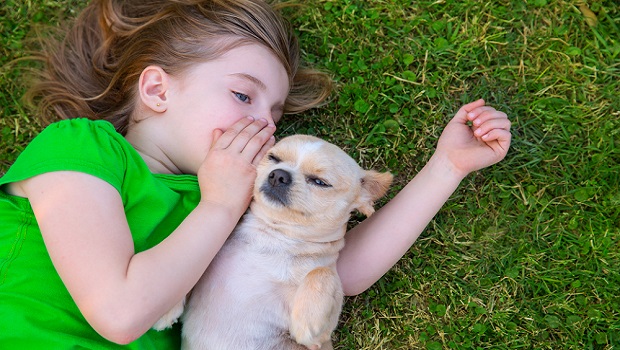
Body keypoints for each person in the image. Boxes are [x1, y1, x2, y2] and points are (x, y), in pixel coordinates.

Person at [0, 0, 511, 348]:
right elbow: (119, 312)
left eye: (275, 115)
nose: (263, 124)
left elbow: (340, 269)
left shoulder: (236, 195)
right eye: (243, 95)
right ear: (157, 91)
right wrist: (218, 206)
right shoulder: (80, 149)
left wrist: (448, 167)